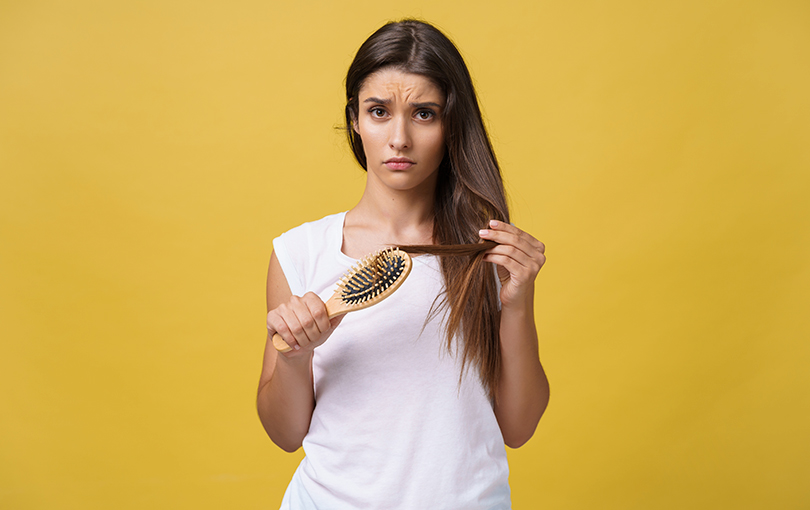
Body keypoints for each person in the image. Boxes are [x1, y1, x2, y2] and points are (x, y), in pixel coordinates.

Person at [257, 19, 549, 509]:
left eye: (424, 114)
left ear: (451, 122)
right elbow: (285, 433)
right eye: (378, 111)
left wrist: (517, 304)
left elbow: (518, 428)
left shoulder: (485, 253)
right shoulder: (301, 251)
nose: (399, 138)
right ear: (354, 119)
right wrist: (295, 355)